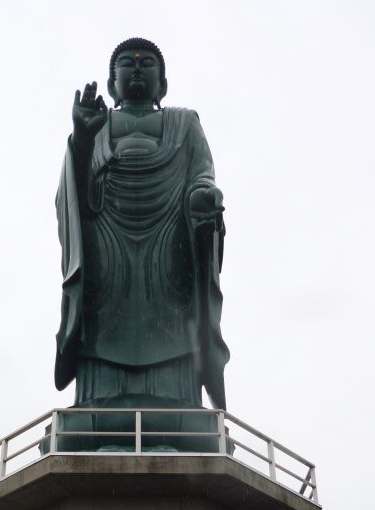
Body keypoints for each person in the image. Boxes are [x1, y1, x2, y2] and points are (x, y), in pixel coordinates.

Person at [55, 38, 229, 416]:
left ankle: (176, 407)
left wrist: (203, 197)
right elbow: (75, 197)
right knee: (100, 317)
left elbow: (202, 174)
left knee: (175, 320)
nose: (136, 67)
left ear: (162, 84)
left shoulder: (184, 122)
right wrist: (83, 139)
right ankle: (98, 405)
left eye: (147, 63)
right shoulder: (97, 125)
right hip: (107, 246)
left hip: (169, 247)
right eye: (126, 64)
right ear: (112, 83)